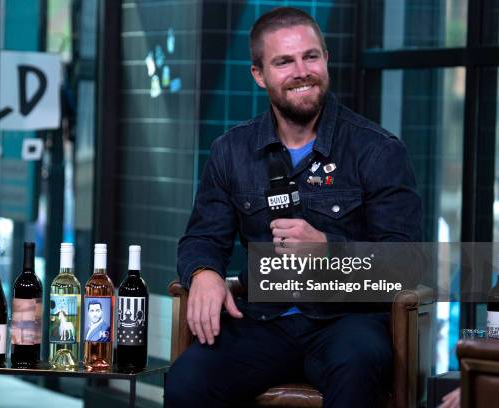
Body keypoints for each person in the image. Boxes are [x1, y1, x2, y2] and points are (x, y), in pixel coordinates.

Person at [164, 7, 422, 408]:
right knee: (186, 380)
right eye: (284, 61)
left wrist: (330, 251)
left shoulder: (378, 150)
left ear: (326, 60)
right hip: (262, 324)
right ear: (259, 75)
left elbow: (407, 263)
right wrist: (203, 272)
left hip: (347, 323)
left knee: (357, 367)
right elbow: (201, 237)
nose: (302, 71)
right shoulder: (231, 151)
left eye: (311, 56)